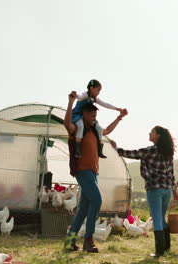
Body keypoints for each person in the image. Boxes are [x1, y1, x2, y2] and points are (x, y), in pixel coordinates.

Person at [63, 92, 127, 253]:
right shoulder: (78, 128)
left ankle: (70, 242)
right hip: (83, 171)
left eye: (95, 114)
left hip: (93, 173)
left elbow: (107, 131)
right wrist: (70, 103)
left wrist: (120, 118)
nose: (94, 117)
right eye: (91, 114)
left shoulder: (93, 130)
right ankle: (88, 240)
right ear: (83, 114)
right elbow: (66, 124)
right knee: (97, 200)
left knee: (83, 209)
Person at [110, 126, 178, 258]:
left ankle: (159, 252)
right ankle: (166, 248)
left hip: (154, 189)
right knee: (161, 218)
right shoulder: (168, 152)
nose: (149, 133)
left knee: (157, 219)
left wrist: (116, 148)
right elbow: (171, 172)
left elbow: (131, 153)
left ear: (158, 135)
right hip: (167, 189)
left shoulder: (150, 151)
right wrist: (174, 188)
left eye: (152, 132)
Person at [70, 79, 124, 158]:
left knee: (99, 128)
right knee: (80, 125)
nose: (98, 93)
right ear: (91, 88)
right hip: (78, 115)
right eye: (98, 90)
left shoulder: (95, 98)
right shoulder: (85, 95)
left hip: (88, 117)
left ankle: (99, 149)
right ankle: (78, 149)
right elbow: (79, 96)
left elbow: (104, 104)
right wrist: (75, 95)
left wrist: (116, 108)